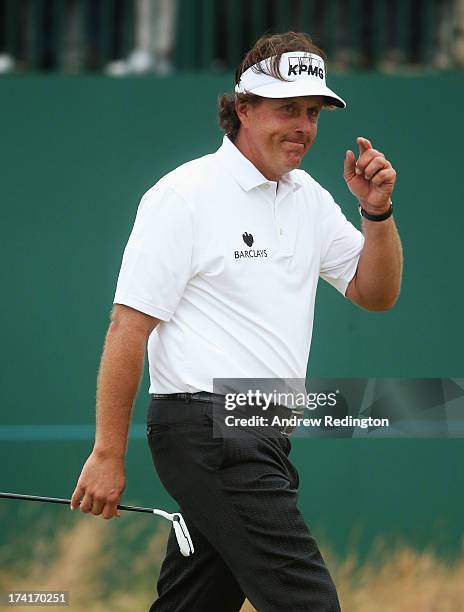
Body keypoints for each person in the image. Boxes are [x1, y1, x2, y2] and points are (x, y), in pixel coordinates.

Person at [70, 31, 402, 612]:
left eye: (311, 112)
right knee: (309, 604)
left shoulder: (309, 198)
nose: (303, 126)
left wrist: (376, 213)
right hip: (208, 429)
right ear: (242, 109)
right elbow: (129, 329)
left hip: (265, 430)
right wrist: (107, 453)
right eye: (286, 110)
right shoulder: (184, 195)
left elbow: (374, 293)